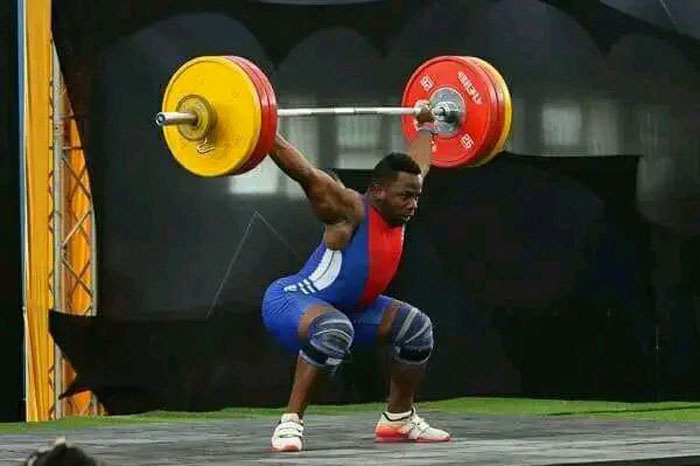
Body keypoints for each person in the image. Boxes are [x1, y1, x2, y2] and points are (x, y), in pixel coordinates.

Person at [262, 105, 450, 452]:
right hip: (292, 301)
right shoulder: (349, 210)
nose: (413, 205)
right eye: (405, 196)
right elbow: (304, 172)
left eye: (416, 196)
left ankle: (398, 419)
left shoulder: (398, 208)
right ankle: (290, 423)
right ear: (378, 191)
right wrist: (262, 130)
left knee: (417, 329)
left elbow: (419, 165)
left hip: (351, 309)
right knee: (335, 329)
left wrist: (426, 127)